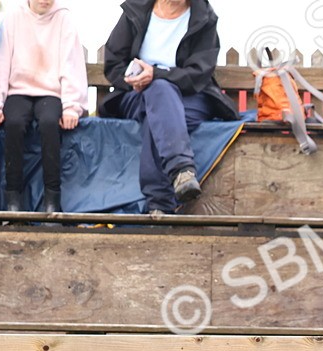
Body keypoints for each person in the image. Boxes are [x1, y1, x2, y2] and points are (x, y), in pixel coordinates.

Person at [98, 0, 237, 213]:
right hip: (136, 94)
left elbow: (199, 72)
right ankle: (181, 170)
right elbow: (114, 63)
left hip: (188, 95)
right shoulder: (135, 10)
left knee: (159, 111)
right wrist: (134, 78)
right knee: (159, 95)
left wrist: (158, 75)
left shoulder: (204, 17)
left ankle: (159, 205)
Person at [0, 0, 87, 213]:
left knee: (49, 123)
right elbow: (1, 63)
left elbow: (70, 65)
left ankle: (52, 197)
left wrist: (70, 107)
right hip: (17, 91)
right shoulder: (12, 19)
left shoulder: (64, 19)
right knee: (13, 123)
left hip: (51, 92)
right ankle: (13, 198)